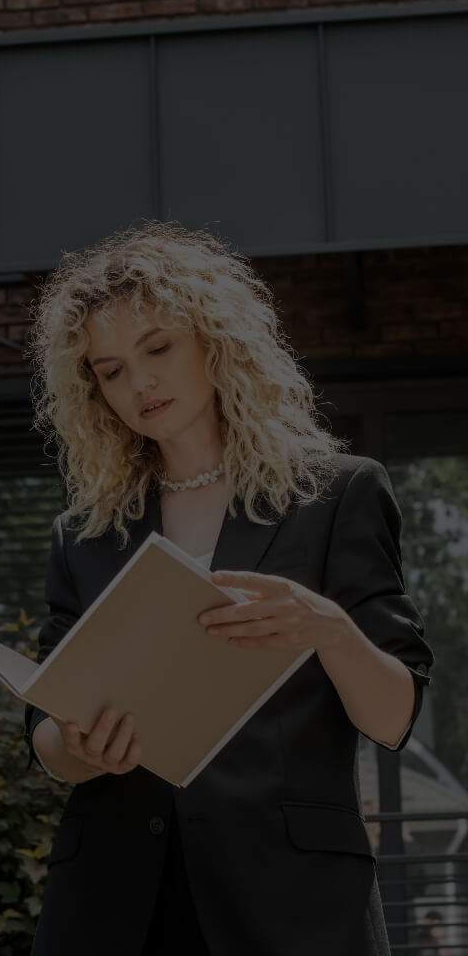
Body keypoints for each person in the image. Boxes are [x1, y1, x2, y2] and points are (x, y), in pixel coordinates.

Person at [22, 220, 434, 956]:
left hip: (290, 901)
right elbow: (47, 739)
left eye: (157, 348)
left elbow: (394, 716)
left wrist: (328, 630)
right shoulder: (84, 536)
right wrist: (79, 745)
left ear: (215, 341)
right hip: (115, 905)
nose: (139, 382)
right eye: (110, 369)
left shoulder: (336, 494)